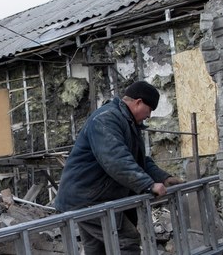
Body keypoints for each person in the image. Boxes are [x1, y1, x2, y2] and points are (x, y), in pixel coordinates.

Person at [54, 80, 183, 255]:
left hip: (90, 197)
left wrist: (163, 177)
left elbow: (137, 159)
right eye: (150, 109)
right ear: (138, 102)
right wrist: (148, 184)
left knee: (97, 248)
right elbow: (116, 159)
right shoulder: (106, 119)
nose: (149, 116)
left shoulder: (125, 121)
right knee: (126, 241)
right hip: (87, 198)